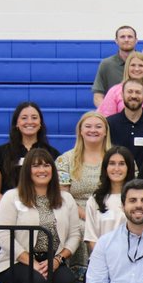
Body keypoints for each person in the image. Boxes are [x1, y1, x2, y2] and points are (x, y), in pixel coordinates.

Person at [0, 148, 81, 283]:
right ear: (27, 170)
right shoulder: (11, 197)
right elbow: (3, 236)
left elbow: (74, 235)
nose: (42, 170)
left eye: (46, 165)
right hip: (16, 261)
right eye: (35, 166)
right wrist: (33, 264)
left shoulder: (66, 199)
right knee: (37, 282)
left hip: (53, 260)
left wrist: (58, 260)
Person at [55, 112, 112, 268]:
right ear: (80, 131)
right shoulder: (65, 160)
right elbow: (63, 195)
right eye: (88, 126)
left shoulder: (116, 158)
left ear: (106, 131)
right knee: (81, 229)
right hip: (76, 212)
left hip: (110, 210)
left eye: (98, 127)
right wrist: (88, 216)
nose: (93, 130)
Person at [85, 145, 136, 254]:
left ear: (129, 167)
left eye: (122, 164)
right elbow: (91, 238)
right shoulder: (94, 200)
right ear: (105, 168)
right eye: (112, 163)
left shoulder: (138, 198)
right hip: (102, 260)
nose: (116, 169)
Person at [106, 80, 143, 165]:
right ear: (122, 95)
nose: (133, 96)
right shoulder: (109, 123)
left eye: (138, 92)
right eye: (130, 92)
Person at [97, 51, 143, 118]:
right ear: (127, 67)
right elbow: (107, 118)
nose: (136, 69)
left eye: (141, 65)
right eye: (133, 65)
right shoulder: (114, 91)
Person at [93, 24, 139, 106]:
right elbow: (98, 96)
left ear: (136, 40)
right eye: (122, 37)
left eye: (130, 37)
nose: (126, 40)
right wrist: (107, 112)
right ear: (116, 41)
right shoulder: (106, 64)